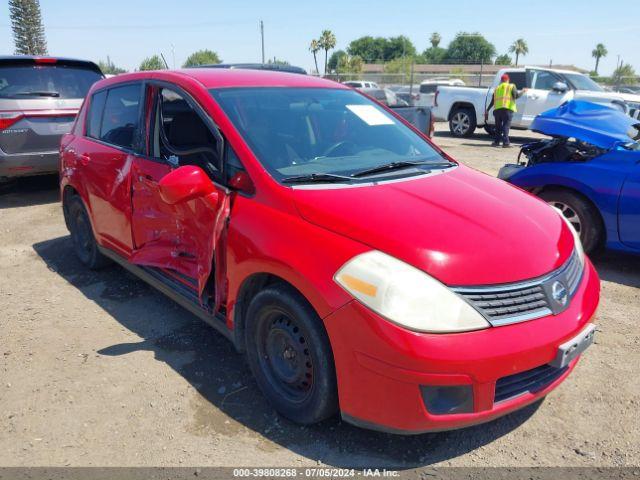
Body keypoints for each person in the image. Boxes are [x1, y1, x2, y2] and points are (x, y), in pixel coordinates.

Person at [484, 73, 523, 148]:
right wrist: (523, 91)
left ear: (501, 80)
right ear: (508, 80)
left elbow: (493, 100)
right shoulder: (511, 86)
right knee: (506, 126)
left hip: (497, 110)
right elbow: (516, 96)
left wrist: (487, 109)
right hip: (507, 109)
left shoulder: (497, 88)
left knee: (498, 127)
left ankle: (496, 142)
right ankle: (506, 143)